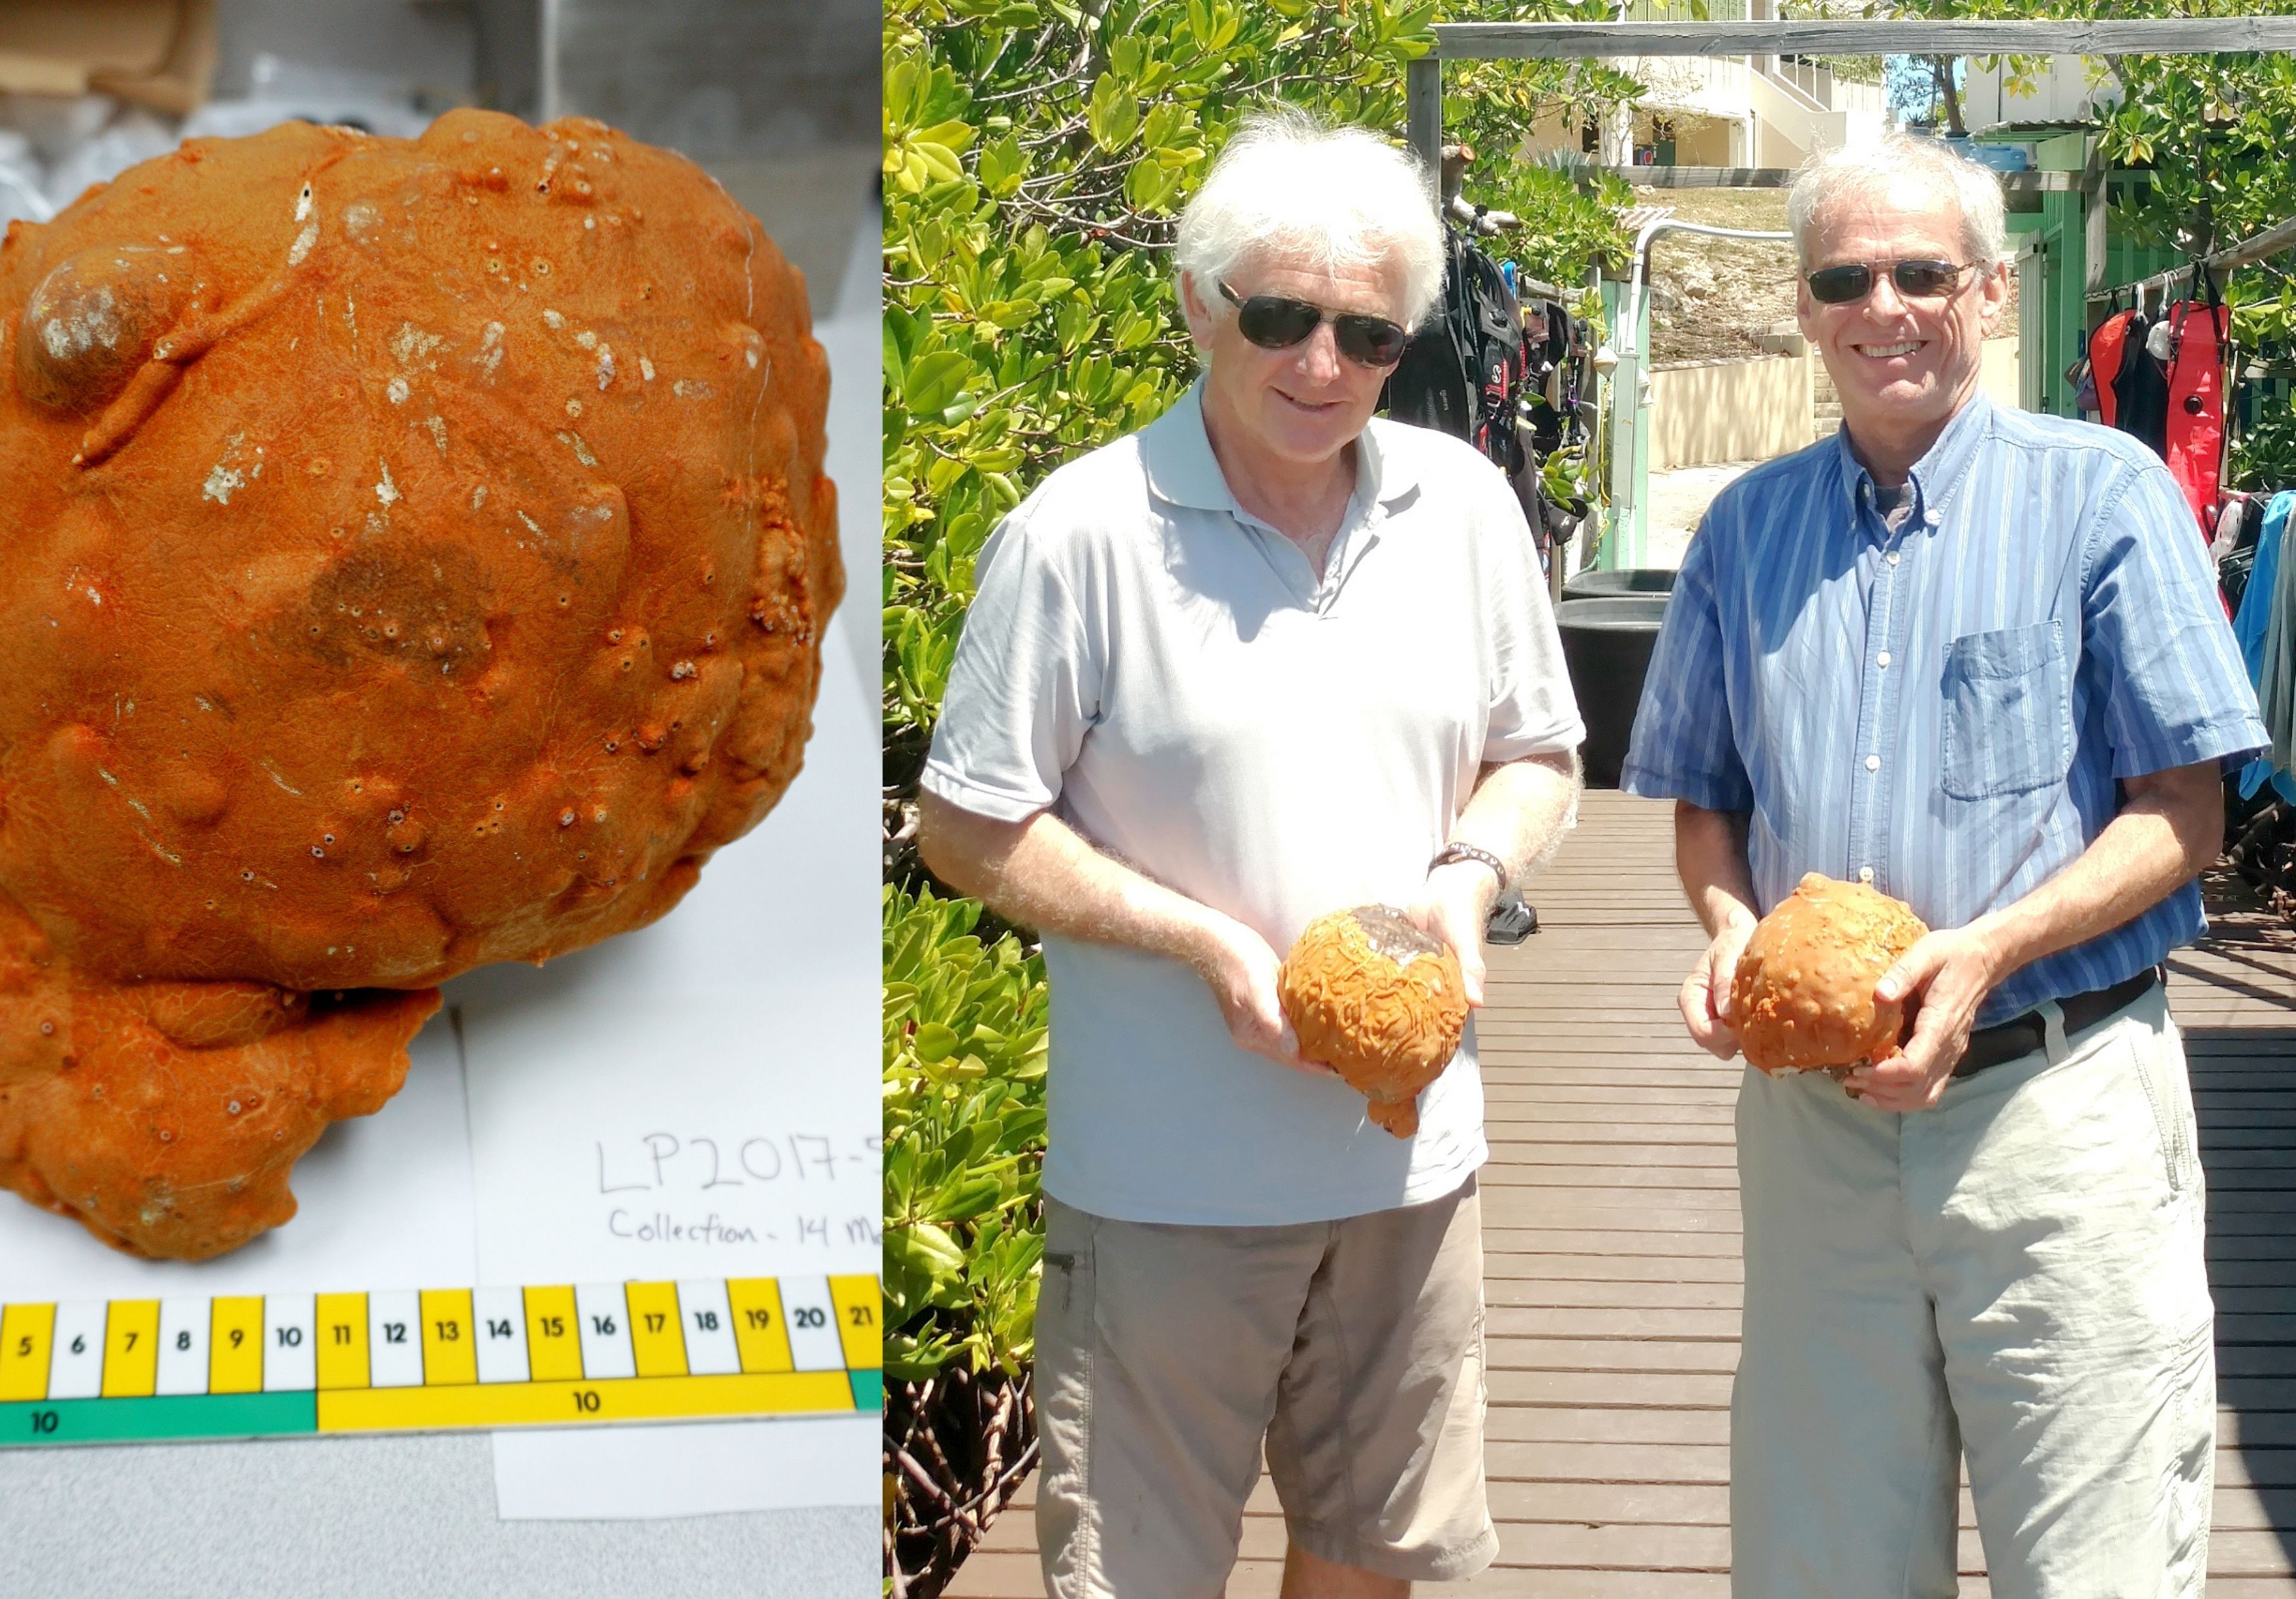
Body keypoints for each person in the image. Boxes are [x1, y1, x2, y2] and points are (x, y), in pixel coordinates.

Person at [915, 108, 1583, 1598]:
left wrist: (1469, 875)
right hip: (1166, 1176)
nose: (1322, 364)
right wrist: (1202, 940)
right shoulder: (1080, 533)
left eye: (1370, 334)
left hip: (1409, 1167)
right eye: (1282, 318)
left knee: (1370, 1559)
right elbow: (966, 824)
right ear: (1199, 305)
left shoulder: (1464, 508)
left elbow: (1538, 753)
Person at [1621, 133, 2268, 1598]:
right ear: (1805, 307)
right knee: (1822, 1564)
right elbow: (1705, 802)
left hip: (2055, 1113)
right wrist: (1728, 925)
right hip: (1816, 1137)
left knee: (2096, 1561)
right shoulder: (1746, 530)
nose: (1885, 307)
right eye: (1845, 278)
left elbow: (2186, 813)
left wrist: (1990, 950)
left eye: (1922, 272)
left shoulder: (2103, 495)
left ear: (1987, 290)